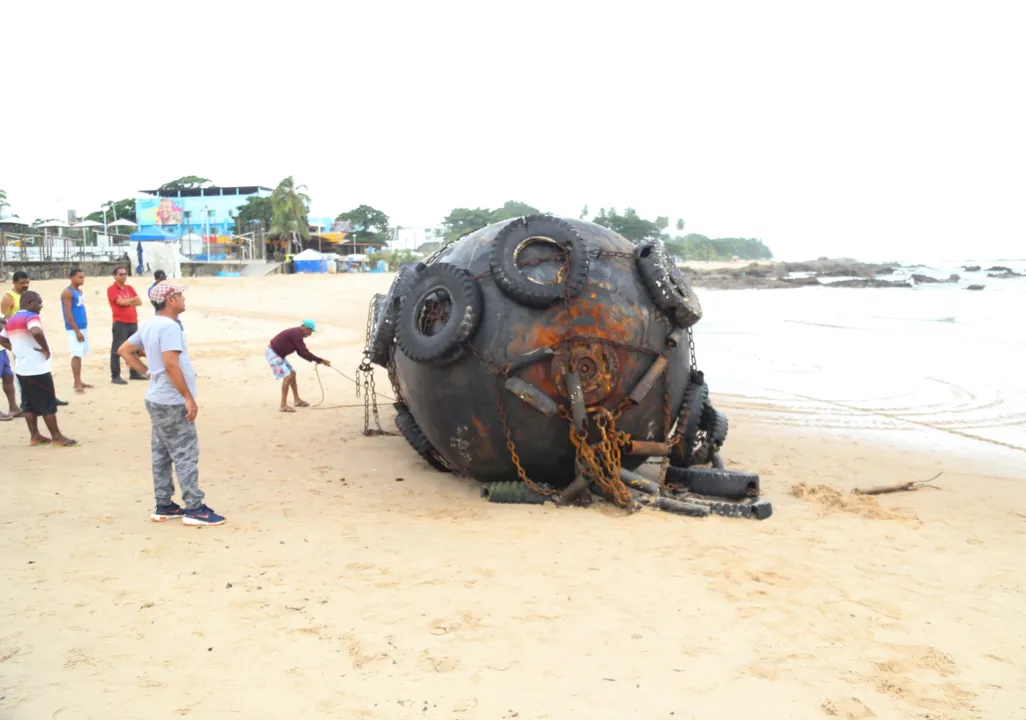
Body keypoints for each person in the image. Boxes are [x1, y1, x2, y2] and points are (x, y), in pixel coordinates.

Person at [117, 280, 225, 526]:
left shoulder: (150, 325)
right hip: (171, 399)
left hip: (156, 397)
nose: (183, 299)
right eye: (180, 295)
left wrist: (147, 373)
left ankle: (164, 503)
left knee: (162, 453)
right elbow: (170, 364)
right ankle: (195, 508)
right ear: (170, 300)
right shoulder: (169, 327)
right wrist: (187, 396)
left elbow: (125, 350)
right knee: (185, 453)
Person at [0, 291, 79, 446]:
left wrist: (16, 349)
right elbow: (35, 330)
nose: (41, 306)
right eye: (39, 302)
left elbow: (2, 338)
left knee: (28, 403)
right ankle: (56, 436)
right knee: (47, 402)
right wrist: (45, 348)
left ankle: (35, 435)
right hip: (37, 368)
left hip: (22, 367)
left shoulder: (12, 319)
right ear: (29, 303)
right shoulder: (31, 316)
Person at [2, 271, 68, 411]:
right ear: (14, 283)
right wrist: (15, 343)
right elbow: (4, 320)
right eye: (22, 283)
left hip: (30, 335)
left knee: (42, 367)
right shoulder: (9, 298)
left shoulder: (30, 296)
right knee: (24, 370)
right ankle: (27, 401)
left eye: (27, 282)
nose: (25, 285)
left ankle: (48, 397)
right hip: (19, 337)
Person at [266, 319, 331, 413]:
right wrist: (319, 360)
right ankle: (283, 405)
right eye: (310, 331)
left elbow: (301, 352)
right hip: (273, 354)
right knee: (287, 376)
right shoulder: (296, 333)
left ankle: (297, 400)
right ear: (304, 328)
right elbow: (302, 351)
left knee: (292, 373)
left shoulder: (297, 334)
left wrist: (318, 360)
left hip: (278, 355)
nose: (310, 334)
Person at [107, 266, 145, 385]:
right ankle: (115, 375)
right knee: (117, 349)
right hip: (120, 322)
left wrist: (129, 301)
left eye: (125, 274)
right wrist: (131, 300)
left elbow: (139, 302)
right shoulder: (112, 289)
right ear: (115, 276)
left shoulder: (129, 288)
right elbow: (120, 302)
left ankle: (134, 372)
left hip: (132, 321)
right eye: (121, 274)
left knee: (134, 347)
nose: (123, 276)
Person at [61, 268, 93, 394]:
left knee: (80, 354)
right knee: (76, 354)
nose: (82, 279)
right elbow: (67, 312)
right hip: (74, 328)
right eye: (80, 277)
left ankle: (79, 380)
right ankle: (77, 382)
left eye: (83, 277)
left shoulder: (79, 291)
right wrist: (76, 330)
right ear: (72, 277)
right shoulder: (67, 293)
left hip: (82, 326)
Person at [0, 314, 20, 421]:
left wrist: (3, 322)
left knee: (8, 377)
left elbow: (5, 321)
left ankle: (13, 407)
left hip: (1, 350)